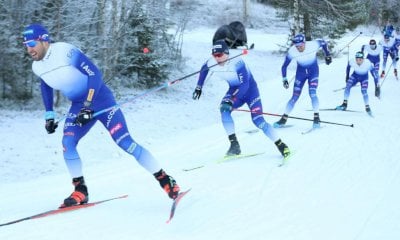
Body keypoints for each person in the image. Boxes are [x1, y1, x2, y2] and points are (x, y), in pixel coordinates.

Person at [22, 24, 181, 207]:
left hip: (100, 99)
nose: (29, 48)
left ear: (44, 40)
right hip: (79, 106)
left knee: (125, 143)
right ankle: (80, 190)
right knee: (67, 143)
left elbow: (94, 74)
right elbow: (46, 85)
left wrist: (88, 105)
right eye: (26, 44)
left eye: (32, 43)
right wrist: (49, 114)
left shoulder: (65, 51)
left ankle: (165, 180)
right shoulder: (37, 66)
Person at [192, 40, 290, 158]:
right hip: (233, 89)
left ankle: (281, 145)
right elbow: (204, 69)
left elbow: (245, 85)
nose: (217, 58)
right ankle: (234, 145)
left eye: (220, 55)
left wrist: (232, 99)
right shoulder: (212, 62)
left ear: (226, 53)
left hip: (250, 91)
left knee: (258, 121)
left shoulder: (237, 62)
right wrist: (199, 87)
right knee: (224, 110)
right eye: (215, 55)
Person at [273, 34, 332, 129]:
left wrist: (328, 55)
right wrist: (284, 79)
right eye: (297, 46)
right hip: (300, 74)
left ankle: (316, 118)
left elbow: (323, 43)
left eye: (301, 46)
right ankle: (283, 119)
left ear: (304, 42)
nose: (299, 48)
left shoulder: (313, 44)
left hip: (313, 72)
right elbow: (284, 66)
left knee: (312, 93)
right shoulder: (292, 51)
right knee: (294, 97)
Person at [335, 51, 378, 116]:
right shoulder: (352, 61)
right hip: (355, 76)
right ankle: (344, 104)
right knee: (347, 86)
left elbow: (374, 75)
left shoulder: (368, 63)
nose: (358, 61)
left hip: (364, 78)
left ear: (363, 59)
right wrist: (347, 76)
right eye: (357, 59)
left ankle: (367, 107)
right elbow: (348, 67)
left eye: (360, 59)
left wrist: (376, 86)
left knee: (364, 91)